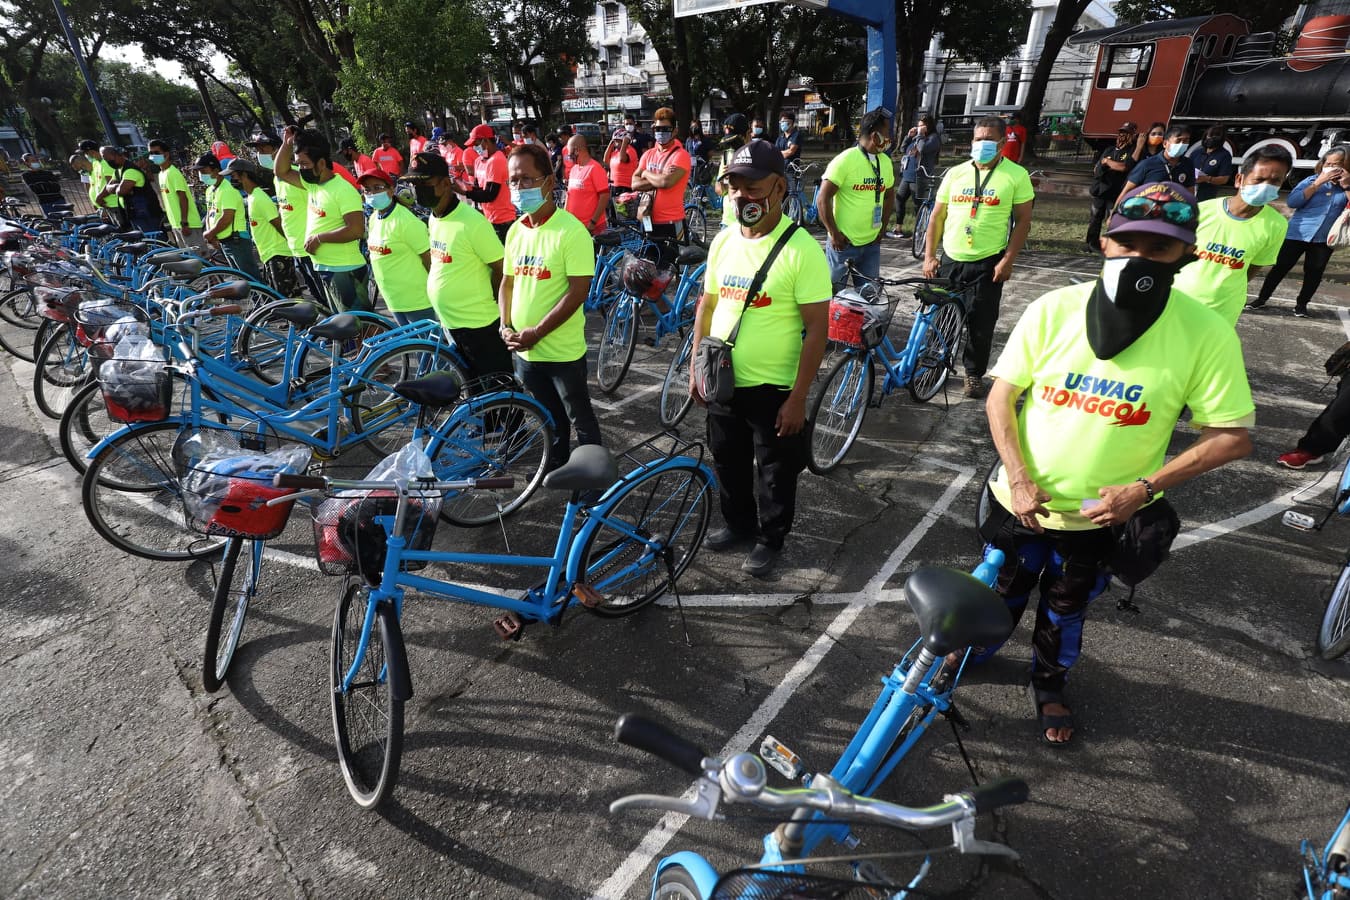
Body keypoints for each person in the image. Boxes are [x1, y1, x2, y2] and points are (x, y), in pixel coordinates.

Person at [979, 181, 1254, 745]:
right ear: (1106, 242)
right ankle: (978, 651)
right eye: (1129, 244)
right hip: (1020, 501)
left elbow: (1231, 437)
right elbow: (1001, 397)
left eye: (1159, 249)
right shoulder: (1054, 308)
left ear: (1187, 254)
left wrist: (1143, 489)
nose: (1139, 259)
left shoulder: (1205, 333)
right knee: (1002, 586)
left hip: (1098, 517)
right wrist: (1021, 477)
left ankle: (1049, 684)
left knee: (1066, 605)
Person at [692, 139, 831, 577]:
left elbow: (817, 330)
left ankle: (771, 538)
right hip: (724, 381)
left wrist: (798, 398)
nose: (742, 197)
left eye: (753, 188)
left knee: (775, 471)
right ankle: (738, 525)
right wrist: (696, 367)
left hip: (775, 390)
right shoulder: (723, 241)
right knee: (726, 461)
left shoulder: (801, 250)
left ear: (780, 189)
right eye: (734, 187)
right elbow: (707, 306)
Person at [498, 143, 602, 471]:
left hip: (562, 353)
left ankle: (593, 478)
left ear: (549, 181)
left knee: (580, 418)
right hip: (525, 352)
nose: (519, 187)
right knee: (548, 416)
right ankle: (556, 462)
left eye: (527, 179)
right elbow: (508, 283)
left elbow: (577, 292)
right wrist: (505, 326)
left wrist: (537, 332)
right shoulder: (516, 231)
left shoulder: (571, 232)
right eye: (514, 181)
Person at [923, 115, 1036, 398]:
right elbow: (937, 217)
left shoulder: (1015, 175)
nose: (981, 144)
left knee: (981, 323)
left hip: (988, 262)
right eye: (977, 139)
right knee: (941, 317)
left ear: (1001, 142)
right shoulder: (956, 173)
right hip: (950, 258)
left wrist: (1008, 259)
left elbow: (1023, 221)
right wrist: (929, 256)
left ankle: (973, 374)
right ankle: (936, 365)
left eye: (987, 139)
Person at [406, 152, 514, 383]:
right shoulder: (434, 217)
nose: (417, 190)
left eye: (424, 183)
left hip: (479, 325)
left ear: (446, 184)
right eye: (414, 184)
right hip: (452, 323)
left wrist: (494, 303)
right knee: (473, 387)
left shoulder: (472, 222)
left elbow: (501, 269)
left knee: (498, 389)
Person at [1171, 145, 1292, 326]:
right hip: (1176, 302)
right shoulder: (1201, 211)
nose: (1265, 186)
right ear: (1239, 179)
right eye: (1259, 179)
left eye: (1275, 181)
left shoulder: (1277, 225)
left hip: (1222, 312)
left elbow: (1253, 267)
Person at [275, 127, 370, 312]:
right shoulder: (313, 185)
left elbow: (356, 230)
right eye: (298, 164)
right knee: (344, 328)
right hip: (327, 267)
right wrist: (287, 144)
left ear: (321, 163)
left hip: (345, 269)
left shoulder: (342, 190)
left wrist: (319, 238)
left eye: (304, 164)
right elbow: (281, 171)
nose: (301, 169)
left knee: (360, 328)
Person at [1248, 145, 1350, 317]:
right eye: (1329, 163)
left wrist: (1346, 186)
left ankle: (1301, 305)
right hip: (1298, 233)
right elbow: (1293, 202)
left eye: (1337, 163)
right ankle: (1261, 299)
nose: (1332, 167)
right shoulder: (1310, 181)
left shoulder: (1347, 186)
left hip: (1323, 239)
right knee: (1280, 267)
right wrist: (1318, 183)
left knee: (1314, 272)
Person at [818, 107, 895, 292]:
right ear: (873, 134)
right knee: (834, 297)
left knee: (869, 299)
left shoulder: (884, 161)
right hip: (843, 245)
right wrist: (834, 233)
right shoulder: (845, 160)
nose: (889, 137)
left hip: (871, 246)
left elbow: (889, 195)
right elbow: (823, 199)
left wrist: (882, 228)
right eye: (886, 132)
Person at [246, 132, 324, 300]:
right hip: (296, 248)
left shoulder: (298, 176)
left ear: (279, 149)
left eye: (263, 149)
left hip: (312, 248)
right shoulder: (277, 180)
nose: (260, 154)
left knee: (325, 297)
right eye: (257, 150)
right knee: (318, 297)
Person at [359, 166, 437, 325]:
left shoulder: (406, 221)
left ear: (391, 190)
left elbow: (429, 259)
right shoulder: (374, 218)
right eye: (367, 189)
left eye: (377, 188)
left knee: (426, 346)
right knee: (408, 345)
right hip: (393, 298)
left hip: (416, 300)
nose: (372, 193)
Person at [227, 157, 299, 298]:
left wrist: (291, 246)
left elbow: (277, 222)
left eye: (233, 176)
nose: (231, 180)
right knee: (282, 297)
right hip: (270, 254)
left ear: (244, 175)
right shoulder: (252, 197)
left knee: (288, 298)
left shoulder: (260, 198)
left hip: (278, 254)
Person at [630, 106, 691, 262]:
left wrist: (645, 174)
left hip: (673, 221)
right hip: (648, 220)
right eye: (657, 128)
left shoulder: (681, 155)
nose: (660, 132)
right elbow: (634, 183)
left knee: (676, 266)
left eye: (665, 129)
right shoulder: (648, 154)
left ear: (674, 131)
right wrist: (656, 178)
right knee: (650, 265)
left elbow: (666, 182)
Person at [193, 154, 264, 283]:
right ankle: (258, 301)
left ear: (215, 170)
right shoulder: (211, 190)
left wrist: (211, 233)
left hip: (237, 240)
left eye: (203, 171)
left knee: (250, 278)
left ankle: (268, 300)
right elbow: (211, 213)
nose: (201, 175)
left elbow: (227, 217)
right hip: (225, 241)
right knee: (241, 279)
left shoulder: (228, 189)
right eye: (199, 172)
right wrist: (212, 235)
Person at [1084, 122, 1141, 252]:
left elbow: (1124, 167)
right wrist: (1107, 164)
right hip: (1100, 190)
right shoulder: (1109, 149)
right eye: (1121, 133)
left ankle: (1111, 245)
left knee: (1113, 220)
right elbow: (1097, 169)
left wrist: (1108, 162)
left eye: (1126, 133)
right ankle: (1091, 244)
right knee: (1094, 218)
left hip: (1115, 192)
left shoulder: (1131, 151)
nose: (1122, 136)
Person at [458, 123, 516, 243]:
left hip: (503, 220)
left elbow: (490, 195)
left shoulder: (497, 160)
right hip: (488, 216)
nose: (474, 148)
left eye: (476, 144)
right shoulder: (479, 161)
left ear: (485, 141)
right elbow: (479, 187)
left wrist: (464, 192)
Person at [887, 115, 939, 239]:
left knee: (918, 204)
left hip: (919, 176)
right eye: (918, 125)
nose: (919, 127)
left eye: (922, 125)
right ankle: (898, 228)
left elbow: (922, 149)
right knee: (899, 199)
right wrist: (909, 136)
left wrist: (920, 135)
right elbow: (903, 149)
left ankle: (919, 231)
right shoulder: (917, 137)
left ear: (928, 126)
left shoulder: (933, 139)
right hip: (907, 175)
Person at [148, 139, 203, 251]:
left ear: (166, 154)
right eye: (151, 153)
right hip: (177, 225)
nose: (153, 156)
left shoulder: (173, 173)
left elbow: (183, 198)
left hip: (187, 225)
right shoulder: (162, 174)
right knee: (189, 261)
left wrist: (184, 223)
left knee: (199, 261)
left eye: (157, 153)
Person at [1117, 124, 1195, 200]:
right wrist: (1115, 211)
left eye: (1186, 141)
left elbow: (1190, 192)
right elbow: (1127, 191)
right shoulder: (1147, 164)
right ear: (1165, 143)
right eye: (1178, 140)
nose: (1182, 144)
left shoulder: (1188, 164)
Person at [103, 147, 163, 234]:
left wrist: (114, 187)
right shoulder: (118, 171)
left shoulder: (130, 170)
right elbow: (108, 187)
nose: (109, 163)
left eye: (110, 160)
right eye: (106, 160)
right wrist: (117, 186)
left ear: (118, 155)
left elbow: (121, 191)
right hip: (134, 213)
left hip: (146, 214)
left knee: (154, 240)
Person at [563, 134, 610, 234]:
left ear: (576, 150)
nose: (568, 156)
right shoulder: (574, 169)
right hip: (575, 226)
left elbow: (604, 197)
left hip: (591, 227)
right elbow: (569, 194)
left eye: (569, 152)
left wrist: (593, 222)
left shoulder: (595, 168)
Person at [1189, 126, 1233, 203]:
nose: (1212, 138)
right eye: (1210, 136)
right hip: (1190, 192)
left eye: (1216, 136)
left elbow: (1224, 179)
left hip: (1207, 195)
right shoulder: (1196, 153)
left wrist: (1207, 178)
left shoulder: (1224, 155)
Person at [716, 113, 752, 199]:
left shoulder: (758, 154)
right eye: (730, 143)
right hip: (728, 211)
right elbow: (720, 191)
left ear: (748, 133)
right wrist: (722, 180)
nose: (733, 147)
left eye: (736, 142)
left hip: (750, 210)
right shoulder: (727, 155)